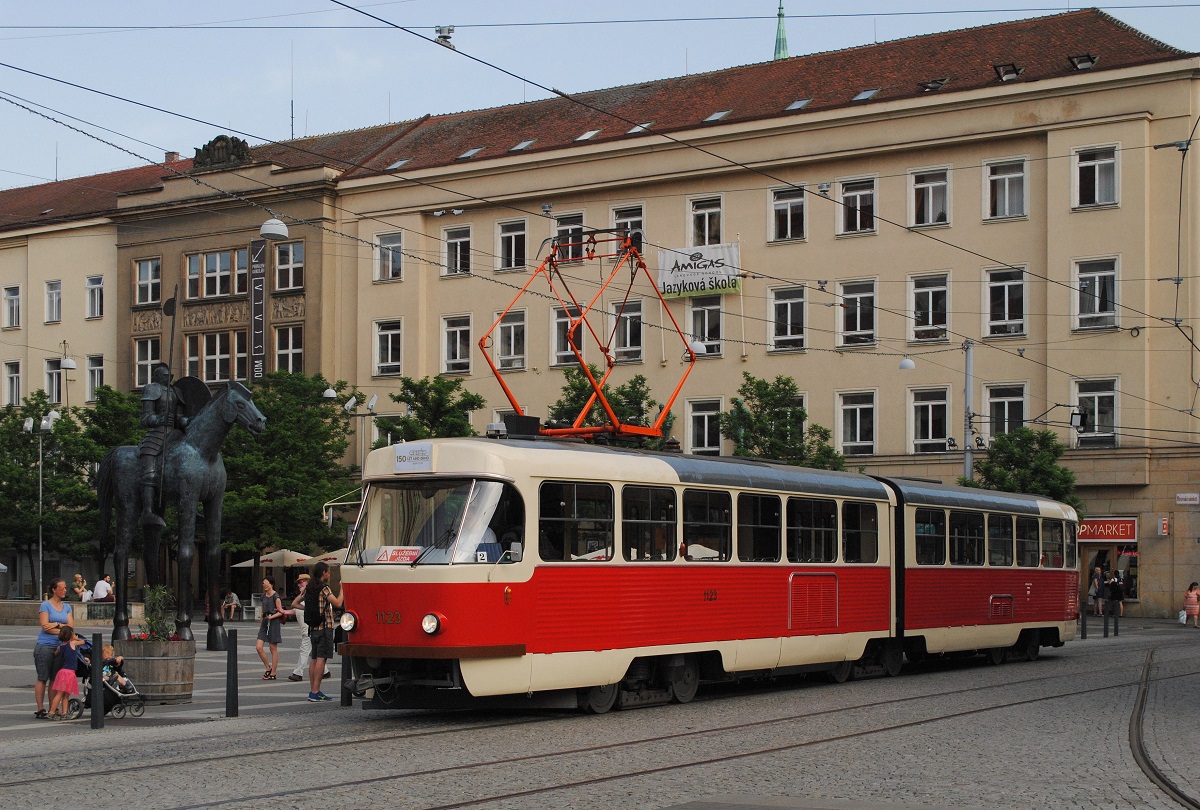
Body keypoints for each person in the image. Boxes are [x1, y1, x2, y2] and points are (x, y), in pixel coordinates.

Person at [138, 362, 190, 527]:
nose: (169, 377)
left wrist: (184, 421)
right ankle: (147, 511)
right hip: (158, 433)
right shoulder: (151, 389)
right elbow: (145, 418)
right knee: (149, 465)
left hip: (176, 434)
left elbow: (180, 415)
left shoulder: (177, 392)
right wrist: (158, 419)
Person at [33, 578, 73, 719]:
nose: (65, 590)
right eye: (62, 588)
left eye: (65, 588)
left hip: (60, 647)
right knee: (42, 677)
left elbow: (71, 628)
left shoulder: (67, 607)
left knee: (55, 679)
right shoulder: (46, 605)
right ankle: (40, 709)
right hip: (45, 645)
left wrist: (55, 625)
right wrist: (62, 626)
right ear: (54, 590)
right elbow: (45, 627)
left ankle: (52, 708)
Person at [307, 561, 343, 702]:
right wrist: (342, 589)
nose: (329, 574)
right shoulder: (324, 588)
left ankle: (312, 690)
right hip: (324, 627)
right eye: (328, 572)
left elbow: (295, 603)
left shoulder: (309, 587)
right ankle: (316, 691)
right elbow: (338, 603)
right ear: (323, 573)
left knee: (314, 658)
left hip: (313, 628)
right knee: (322, 658)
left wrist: (311, 610)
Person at [47, 626, 83, 720]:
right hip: (69, 672)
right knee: (62, 694)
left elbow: (56, 653)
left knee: (65, 694)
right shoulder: (72, 643)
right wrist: (75, 637)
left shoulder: (61, 646)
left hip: (63, 672)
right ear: (71, 634)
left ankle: (64, 713)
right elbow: (83, 642)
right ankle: (51, 712)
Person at [255, 576, 283, 679]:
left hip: (274, 622)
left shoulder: (276, 597)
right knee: (258, 647)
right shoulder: (263, 596)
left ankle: (273, 673)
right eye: (263, 583)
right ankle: (268, 668)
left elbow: (281, 612)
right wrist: (262, 619)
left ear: (271, 584)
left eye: (266, 583)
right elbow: (262, 610)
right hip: (265, 622)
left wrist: (272, 617)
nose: (264, 585)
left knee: (273, 648)